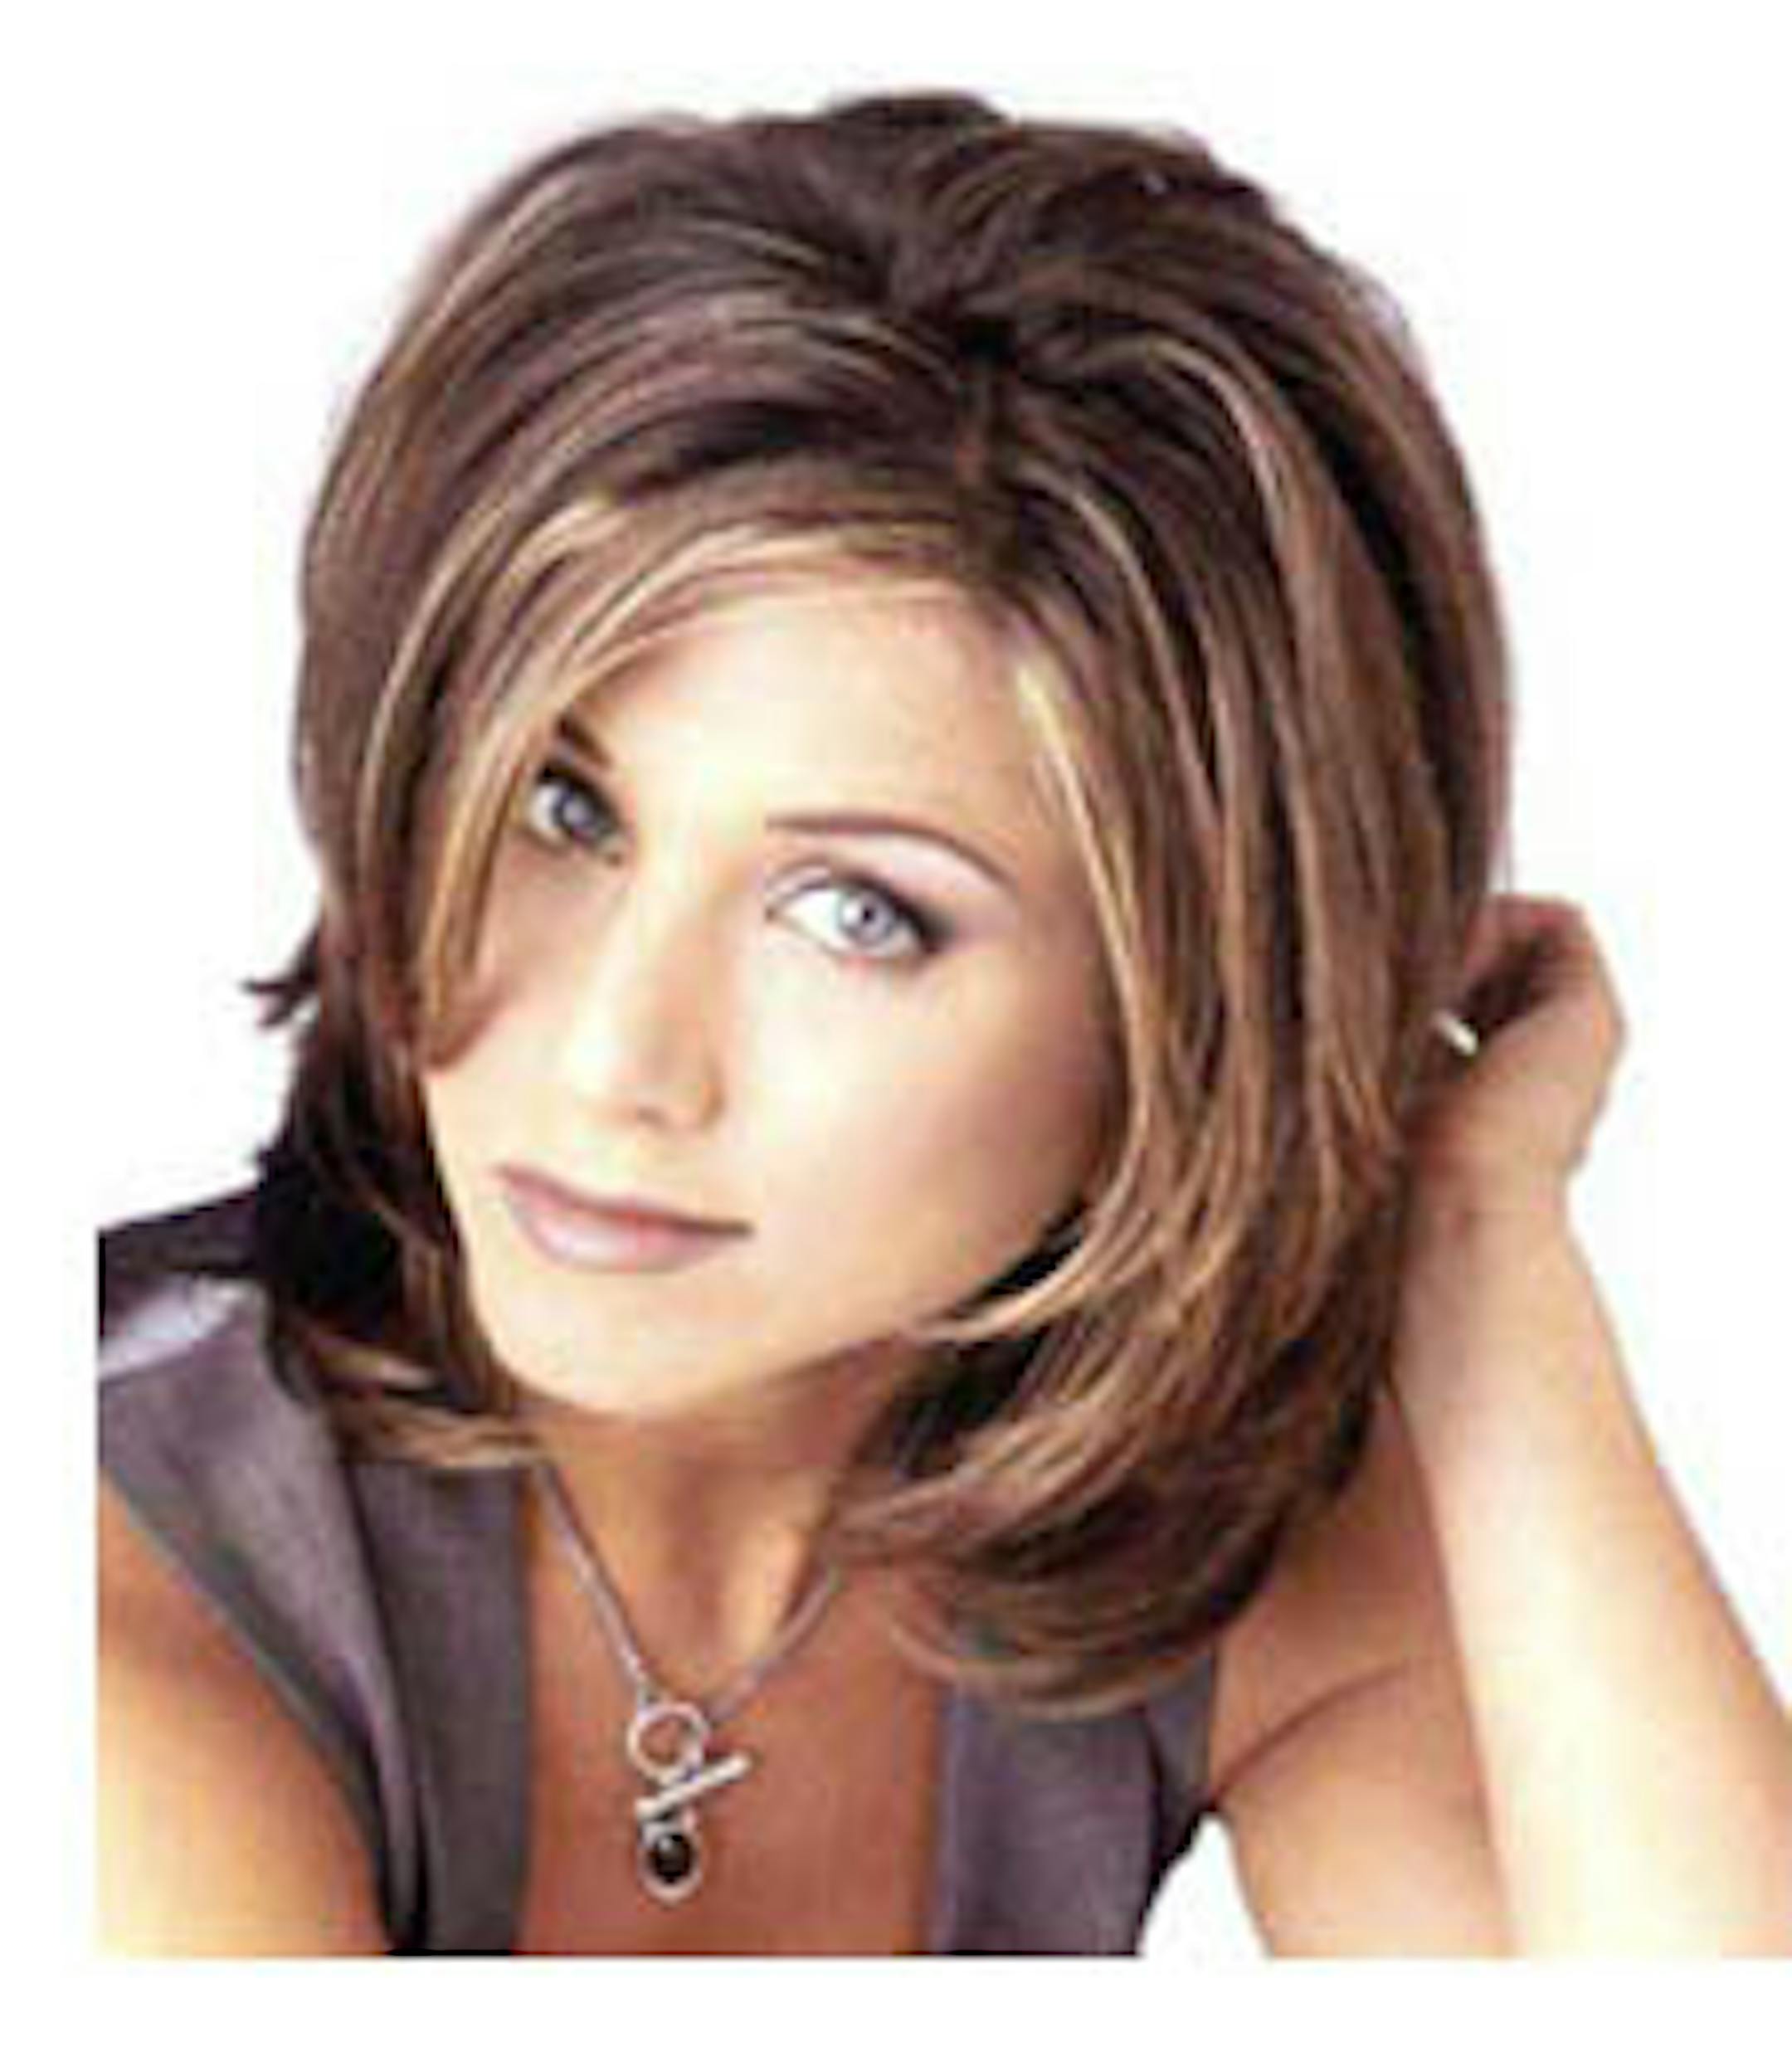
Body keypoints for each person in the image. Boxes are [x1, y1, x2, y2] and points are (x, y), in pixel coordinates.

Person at [96, 91, 1790, 1956]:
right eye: (563, 812)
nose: (611, 1062)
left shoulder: (1202, 1536)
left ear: (1198, 1010)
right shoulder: (105, 1597)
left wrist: (1477, 1244)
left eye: (856, 913)